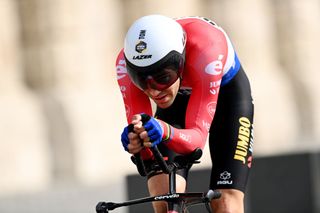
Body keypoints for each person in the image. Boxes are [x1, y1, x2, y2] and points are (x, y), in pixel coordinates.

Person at [116, 14, 254, 213]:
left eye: (163, 77)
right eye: (140, 81)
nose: (154, 91)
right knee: (164, 198)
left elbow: (196, 139)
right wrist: (137, 142)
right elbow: (146, 155)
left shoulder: (208, 50)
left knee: (225, 203)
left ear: (180, 61)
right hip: (177, 100)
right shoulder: (125, 63)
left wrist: (165, 131)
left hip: (228, 98)